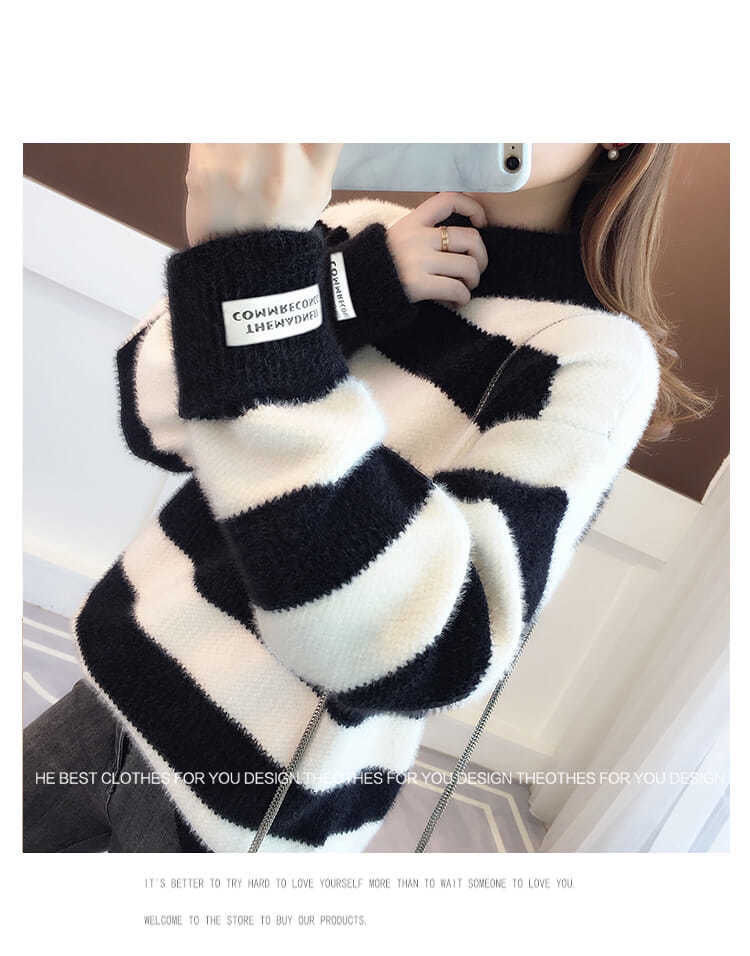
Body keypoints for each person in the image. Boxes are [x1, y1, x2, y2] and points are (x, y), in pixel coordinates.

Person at [23, 143, 708, 853]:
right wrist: (348, 286)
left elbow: (433, 644)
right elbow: (152, 411)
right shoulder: (362, 231)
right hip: (117, 679)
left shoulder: (595, 358)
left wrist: (268, 291)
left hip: (246, 793)